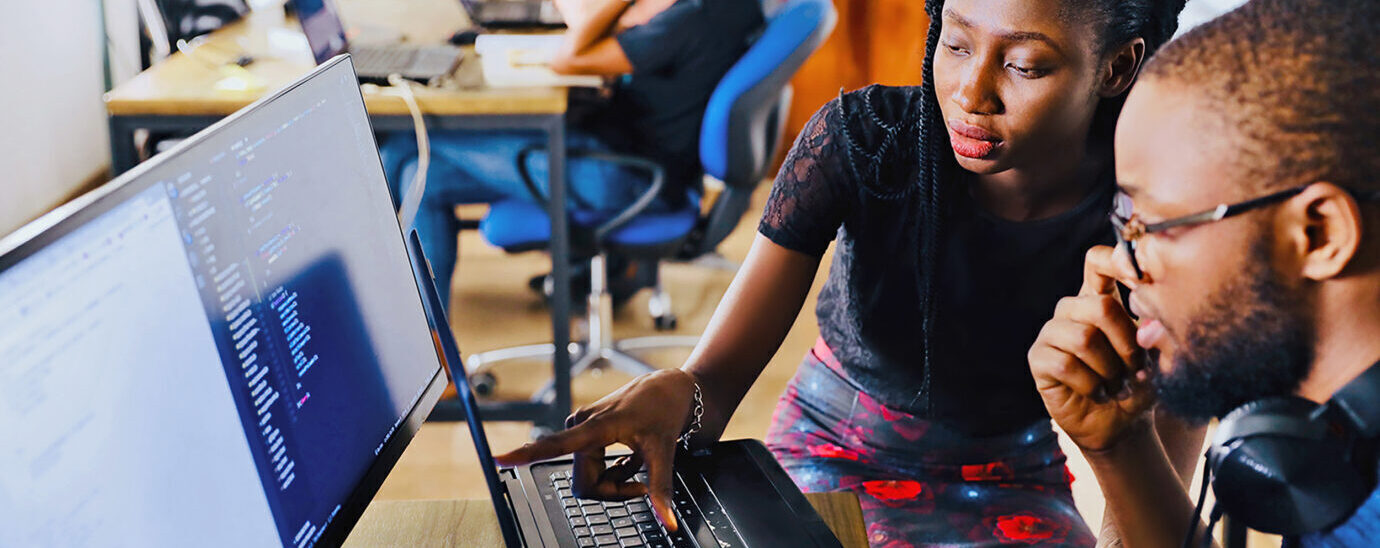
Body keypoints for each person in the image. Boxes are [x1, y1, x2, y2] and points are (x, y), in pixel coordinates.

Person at [495, 0, 1198, 545]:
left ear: (1116, 66)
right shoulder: (862, 143)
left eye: (1024, 65)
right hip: (830, 453)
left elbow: (1156, 511)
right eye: (954, 44)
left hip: (1011, 480)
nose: (970, 92)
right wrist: (678, 396)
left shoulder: (1158, 218)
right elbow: (716, 383)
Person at [1027, 0, 1380, 545]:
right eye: (1124, 221)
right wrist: (1120, 448)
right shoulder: (1332, 446)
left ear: (1319, 234)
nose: (1118, 263)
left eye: (1157, 224)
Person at [380, 0, 764, 306]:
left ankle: (388, 319)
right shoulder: (726, 9)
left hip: (625, 177)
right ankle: (435, 349)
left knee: (406, 145)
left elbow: (568, 58)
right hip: (626, 159)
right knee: (421, 175)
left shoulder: (691, 20)